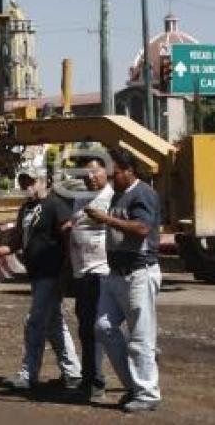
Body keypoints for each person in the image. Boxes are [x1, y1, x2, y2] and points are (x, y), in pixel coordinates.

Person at [0, 169, 82, 391]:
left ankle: (28, 374)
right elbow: (20, 239)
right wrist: (2, 250)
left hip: (51, 273)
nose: (27, 185)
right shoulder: (26, 209)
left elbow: (68, 239)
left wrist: (65, 273)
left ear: (42, 181)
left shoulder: (55, 205)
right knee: (53, 323)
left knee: (34, 322)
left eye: (31, 181)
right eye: (23, 182)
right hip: (37, 273)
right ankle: (73, 373)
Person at [85, 148, 161, 413]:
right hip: (116, 273)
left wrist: (105, 218)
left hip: (138, 272)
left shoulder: (143, 194)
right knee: (104, 327)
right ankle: (134, 386)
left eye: (114, 174)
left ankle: (147, 393)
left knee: (141, 337)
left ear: (130, 170)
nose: (110, 178)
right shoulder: (119, 193)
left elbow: (142, 229)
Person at [63, 157, 113, 402]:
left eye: (95, 172)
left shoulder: (113, 197)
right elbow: (75, 223)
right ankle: (88, 377)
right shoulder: (80, 198)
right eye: (86, 174)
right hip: (80, 272)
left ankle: (96, 383)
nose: (90, 177)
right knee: (85, 328)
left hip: (101, 272)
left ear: (107, 171)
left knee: (94, 327)